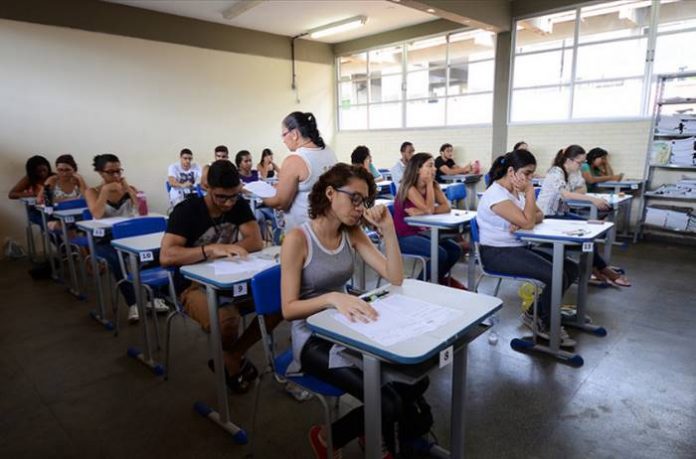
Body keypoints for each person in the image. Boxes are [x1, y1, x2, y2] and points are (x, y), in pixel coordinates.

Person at [281, 163, 429, 458]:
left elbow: (395, 277)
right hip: (312, 341)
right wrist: (332, 298)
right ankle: (328, 438)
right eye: (355, 198)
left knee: (415, 377)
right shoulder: (298, 239)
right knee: (388, 402)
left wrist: (388, 232)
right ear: (330, 193)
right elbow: (288, 309)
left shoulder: (352, 233)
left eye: (365, 201)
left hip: (349, 327)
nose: (360, 208)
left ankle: (372, 433)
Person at [160, 160, 280, 393]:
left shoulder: (239, 205)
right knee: (226, 323)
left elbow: (255, 240)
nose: (228, 203)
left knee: (280, 302)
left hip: (234, 278)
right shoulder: (186, 211)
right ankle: (232, 361)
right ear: (207, 188)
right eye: (221, 197)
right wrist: (210, 250)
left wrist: (230, 250)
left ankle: (232, 356)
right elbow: (166, 255)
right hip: (192, 284)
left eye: (233, 196)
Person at [477, 149, 579, 346]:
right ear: (511, 171)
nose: (530, 178)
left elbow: (539, 215)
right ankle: (544, 323)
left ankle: (536, 313)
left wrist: (525, 218)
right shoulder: (496, 194)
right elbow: (530, 222)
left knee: (571, 268)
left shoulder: (515, 193)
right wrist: (528, 205)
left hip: (517, 248)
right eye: (527, 173)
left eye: (532, 174)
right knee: (553, 274)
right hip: (496, 253)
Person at [85, 154, 168, 323]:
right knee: (117, 260)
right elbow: (97, 214)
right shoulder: (92, 191)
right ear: (101, 173)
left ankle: (155, 296)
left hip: (131, 236)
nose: (116, 176)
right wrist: (105, 191)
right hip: (106, 239)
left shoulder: (129, 188)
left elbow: (143, 211)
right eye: (111, 172)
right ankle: (133, 303)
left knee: (157, 251)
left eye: (119, 171)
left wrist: (129, 191)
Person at [537, 145, 631, 287]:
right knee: (587, 233)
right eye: (579, 162)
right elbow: (566, 194)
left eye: (583, 162)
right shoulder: (556, 172)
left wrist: (578, 192)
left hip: (561, 213)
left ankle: (597, 269)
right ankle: (602, 269)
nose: (582, 165)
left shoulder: (573, 172)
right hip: (548, 216)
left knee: (591, 228)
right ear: (568, 160)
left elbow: (583, 188)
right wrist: (592, 199)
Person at [392, 153, 466, 289]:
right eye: (430, 166)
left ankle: (435, 280)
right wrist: (430, 187)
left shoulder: (433, 186)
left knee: (455, 250)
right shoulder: (409, 187)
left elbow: (446, 207)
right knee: (440, 254)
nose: (435, 169)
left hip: (422, 232)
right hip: (403, 236)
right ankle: (421, 286)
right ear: (418, 169)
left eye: (434, 165)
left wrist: (425, 210)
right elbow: (429, 208)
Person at [262, 111, 337, 233]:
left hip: (304, 233)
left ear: (295, 134)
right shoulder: (328, 151)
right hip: (329, 228)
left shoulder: (295, 160)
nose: (283, 140)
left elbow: (281, 203)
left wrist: (261, 194)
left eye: (284, 134)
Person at [36, 155, 88, 231]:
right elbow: (39, 200)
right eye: (60, 170)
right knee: (63, 227)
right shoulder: (52, 180)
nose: (64, 173)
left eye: (67, 170)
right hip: (56, 216)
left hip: (77, 215)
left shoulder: (77, 180)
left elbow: (88, 197)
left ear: (74, 170)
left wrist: (80, 179)